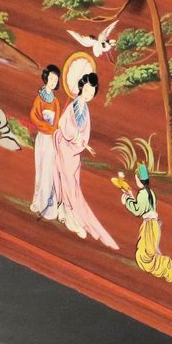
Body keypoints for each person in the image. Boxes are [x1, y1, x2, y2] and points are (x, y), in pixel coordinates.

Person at [53, 66, 118, 250]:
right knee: (67, 183)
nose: (89, 93)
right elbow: (63, 124)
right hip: (65, 147)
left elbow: (85, 132)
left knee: (73, 184)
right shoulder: (73, 104)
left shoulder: (86, 110)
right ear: (81, 87)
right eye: (87, 89)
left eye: (92, 91)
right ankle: (69, 216)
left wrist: (83, 142)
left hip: (75, 152)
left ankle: (70, 214)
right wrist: (77, 138)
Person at [119, 164, 172, 282]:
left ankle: (165, 265)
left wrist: (127, 200)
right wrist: (130, 196)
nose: (136, 181)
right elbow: (143, 206)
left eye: (136, 179)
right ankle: (164, 266)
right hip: (151, 225)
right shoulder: (149, 193)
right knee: (146, 253)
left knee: (145, 257)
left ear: (139, 180)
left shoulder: (143, 194)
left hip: (150, 226)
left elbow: (138, 210)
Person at [29, 64, 61, 217]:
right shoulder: (39, 98)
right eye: (52, 78)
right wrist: (47, 129)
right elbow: (34, 117)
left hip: (50, 140)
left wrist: (53, 132)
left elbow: (57, 123)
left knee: (48, 170)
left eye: (56, 79)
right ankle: (37, 201)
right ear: (46, 77)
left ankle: (47, 205)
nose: (54, 81)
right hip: (42, 137)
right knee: (40, 168)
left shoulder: (55, 102)